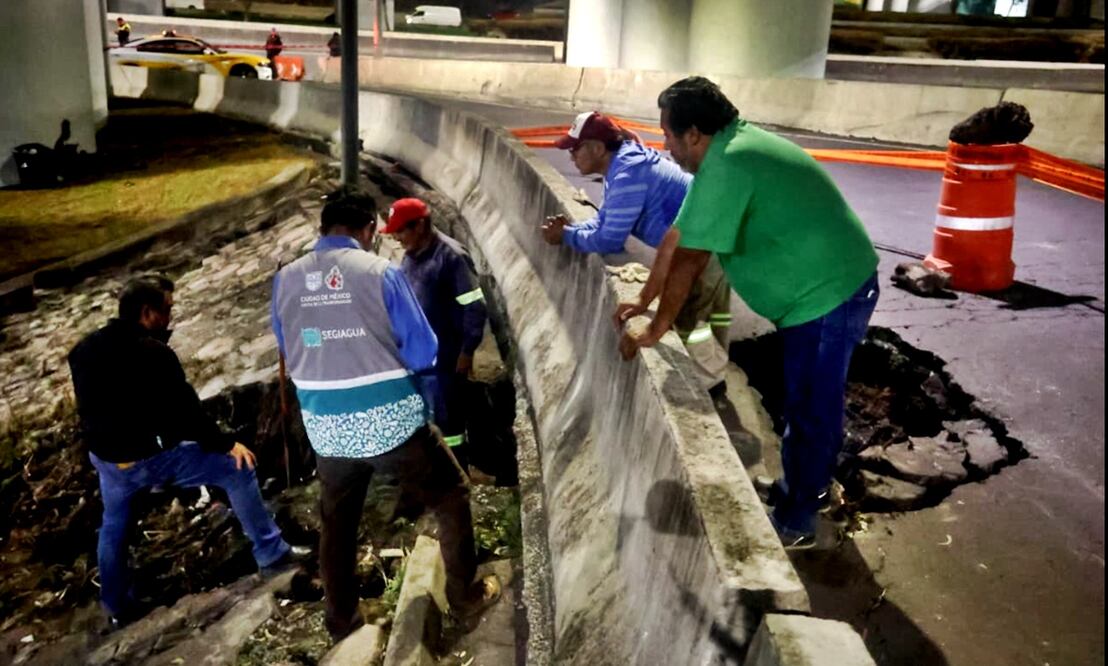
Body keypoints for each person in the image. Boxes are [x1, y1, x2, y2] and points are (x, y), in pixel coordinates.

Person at [616, 77, 880, 550]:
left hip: (827, 297)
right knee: (806, 403)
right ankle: (799, 491)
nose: (665, 146)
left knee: (809, 410)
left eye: (668, 136)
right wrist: (644, 300)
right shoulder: (727, 153)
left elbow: (692, 260)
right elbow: (677, 238)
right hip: (819, 293)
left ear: (694, 134)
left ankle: (798, 521)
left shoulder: (730, 164)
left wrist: (657, 328)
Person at [270, 188, 499, 641]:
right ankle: (464, 596)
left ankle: (341, 620)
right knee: (451, 494)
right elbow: (424, 349)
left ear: (322, 228)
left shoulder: (286, 278)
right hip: (389, 421)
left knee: (337, 522)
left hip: (326, 428)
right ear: (368, 230)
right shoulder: (381, 273)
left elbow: (286, 343)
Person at [68, 275, 303, 628]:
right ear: (146, 313)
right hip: (152, 459)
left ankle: (116, 605)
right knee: (235, 469)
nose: (170, 318)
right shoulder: (154, 354)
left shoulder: (83, 352)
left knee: (114, 525)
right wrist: (226, 443)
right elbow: (189, 415)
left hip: (109, 461)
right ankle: (273, 555)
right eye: (167, 310)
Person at [544, 110, 732, 391]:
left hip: (702, 251)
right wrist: (572, 231)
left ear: (597, 147)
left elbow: (609, 239)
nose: (571, 156)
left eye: (575, 148)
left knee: (691, 319)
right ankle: (718, 368)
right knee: (709, 314)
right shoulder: (622, 166)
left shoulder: (628, 174)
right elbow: (605, 219)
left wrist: (566, 237)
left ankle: (710, 384)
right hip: (711, 242)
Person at [383, 198, 488, 472]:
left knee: (449, 425)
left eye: (400, 231)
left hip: (447, 359)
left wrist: (467, 351)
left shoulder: (450, 257)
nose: (396, 238)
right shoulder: (412, 255)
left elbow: (474, 307)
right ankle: (435, 475)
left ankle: (457, 475)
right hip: (420, 360)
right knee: (427, 421)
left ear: (419, 226)